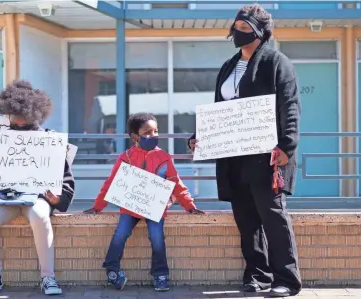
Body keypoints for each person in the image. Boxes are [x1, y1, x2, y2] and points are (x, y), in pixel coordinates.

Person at [189, 4, 302, 297]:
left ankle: (287, 280)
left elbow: (290, 107)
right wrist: (201, 134)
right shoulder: (229, 66)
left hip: (267, 156)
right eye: (236, 27)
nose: (237, 33)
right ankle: (258, 275)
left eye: (244, 29)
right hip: (234, 157)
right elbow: (220, 109)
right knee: (246, 219)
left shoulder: (278, 63)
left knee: (273, 216)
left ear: (260, 33)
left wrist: (287, 146)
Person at [0, 80, 75, 296]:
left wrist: (58, 199)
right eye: (14, 122)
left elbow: (66, 180)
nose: (18, 126)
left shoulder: (49, 140)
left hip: (36, 199)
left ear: (35, 116)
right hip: (3, 200)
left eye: (24, 123)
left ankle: (48, 277)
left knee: (39, 214)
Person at [84, 113, 204, 292]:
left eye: (156, 131)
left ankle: (161, 275)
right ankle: (112, 270)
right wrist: (97, 206)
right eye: (148, 132)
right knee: (120, 235)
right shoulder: (125, 157)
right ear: (135, 137)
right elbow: (111, 183)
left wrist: (190, 206)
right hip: (129, 209)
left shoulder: (164, 157)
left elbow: (175, 183)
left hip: (155, 209)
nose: (154, 135)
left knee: (157, 239)